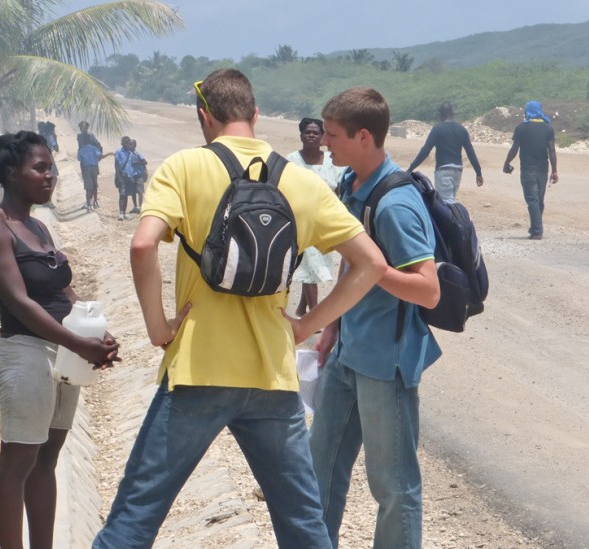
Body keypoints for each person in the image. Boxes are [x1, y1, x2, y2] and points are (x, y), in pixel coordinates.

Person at [92, 69, 387, 549]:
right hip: (271, 375)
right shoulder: (301, 181)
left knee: (133, 521)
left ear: (204, 117)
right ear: (255, 114)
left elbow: (143, 247)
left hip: (197, 371)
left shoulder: (183, 167)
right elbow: (371, 263)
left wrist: (158, 328)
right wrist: (306, 327)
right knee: (304, 529)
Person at [309, 87, 442, 549]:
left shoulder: (396, 204)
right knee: (318, 468)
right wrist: (333, 324)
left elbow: (428, 290)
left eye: (332, 135)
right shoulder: (352, 184)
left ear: (364, 136)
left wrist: (378, 271)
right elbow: (351, 259)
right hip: (349, 353)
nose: (324, 142)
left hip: (387, 364)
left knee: (393, 486)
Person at [0, 131, 120, 549]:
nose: (50, 175)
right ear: (10, 174)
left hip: (62, 358)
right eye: (39, 167)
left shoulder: (37, 226)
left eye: (50, 167)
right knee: (17, 464)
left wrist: (96, 331)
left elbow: (61, 293)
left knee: (47, 461)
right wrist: (78, 343)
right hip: (26, 355)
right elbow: (20, 303)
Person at [286, 117, 345, 316]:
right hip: (301, 222)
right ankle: (313, 314)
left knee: (313, 267)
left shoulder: (333, 161)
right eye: (307, 132)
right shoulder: (291, 161)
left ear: (322, 137)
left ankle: (302, 307)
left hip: (326, 222)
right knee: (311, 266)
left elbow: (340, 190)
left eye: (316, 133)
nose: (311, 136)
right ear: (301, 135)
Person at [503, 100, 559, 240]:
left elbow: (515, 148)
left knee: (532, 201)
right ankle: (535, 227)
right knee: (538, 200)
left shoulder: (521, 127)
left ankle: (537, 231)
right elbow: (552, 150)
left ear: (528, 111)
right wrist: (554, 170)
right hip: (543, 170)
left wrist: (507, 162)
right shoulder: (547, 128)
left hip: (528, 170)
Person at [407, 102, 483, 203]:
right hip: (458, 170)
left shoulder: (437, 129)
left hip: (444, 170)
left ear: (441, 115)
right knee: (449, 200)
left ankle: (459, 218)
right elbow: (470, 153)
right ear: (452, 114)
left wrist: (410, 168)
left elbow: (425, 151)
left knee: (447, 204)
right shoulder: (462, 130)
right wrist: (478, 173)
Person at [77, 132, 113, 211]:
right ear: (90, 140)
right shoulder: (94, 148)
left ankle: (88, 204)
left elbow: (80, 160)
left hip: (86, 168)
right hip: (95, 168)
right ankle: (95, 202)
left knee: (88, 187)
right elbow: (100, 156)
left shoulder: (81, 150)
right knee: (94, 185)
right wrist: (109, 154)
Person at [77, 121, 106, 209]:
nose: (83, 128)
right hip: (85, 161)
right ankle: (89, 201)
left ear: (87, 127)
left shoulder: (91, 136)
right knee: (88, 182)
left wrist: (97, 158)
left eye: (85, 127)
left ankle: (94, 201)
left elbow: (99, 145)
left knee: (92, 183)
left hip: (91, 161)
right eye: (82, 127)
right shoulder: (79, 136)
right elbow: (79, 147)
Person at [114, 136, 134, 221]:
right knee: (122, 195)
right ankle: (121, 214)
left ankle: (124, 213)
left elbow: (131, 166)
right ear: (122, 143)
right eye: (125, 143)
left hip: (129, 177)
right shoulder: (118, 152)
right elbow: (116, 165)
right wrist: (118, 177)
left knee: (126, 195)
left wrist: (132, 176)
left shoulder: (131, 154)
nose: (126, 144)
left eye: (128, 143)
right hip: (121, 176)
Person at [128, 138, 148, 213]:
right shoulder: (127, 154)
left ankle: (140, 206)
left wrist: (138, 163)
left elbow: (145, 162)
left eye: (131, 144)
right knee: (133, 192)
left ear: (134, 145)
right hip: (131, 175)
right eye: (129, 144)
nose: (130, 145)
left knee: (140, 191)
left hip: (139, 175)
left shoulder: (138, 154)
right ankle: (135, 206)